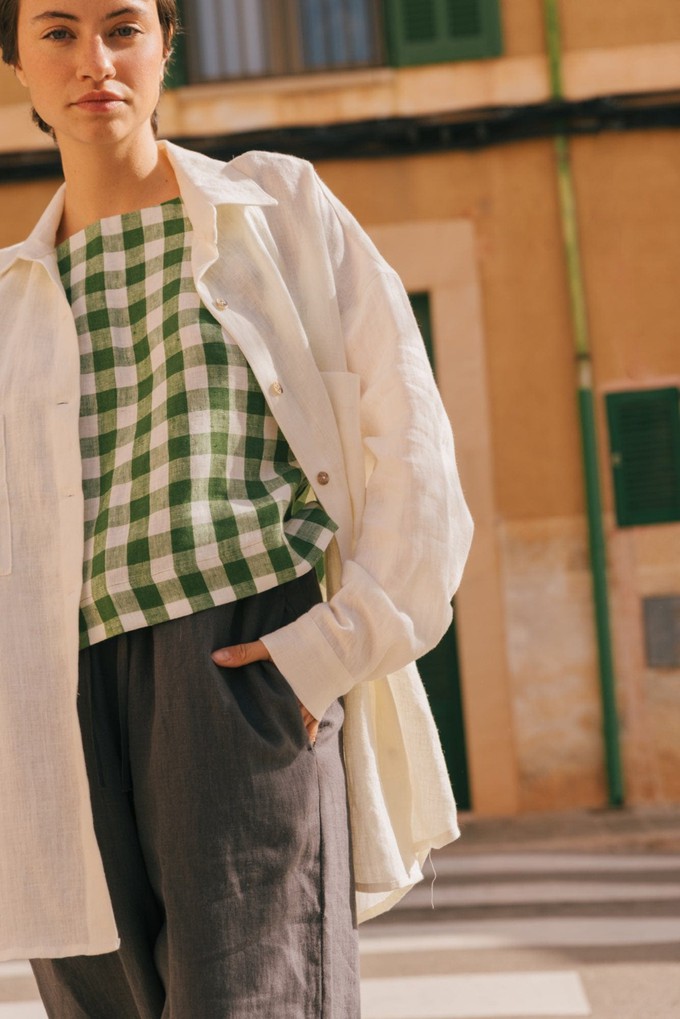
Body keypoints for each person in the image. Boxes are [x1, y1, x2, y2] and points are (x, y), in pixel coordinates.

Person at [0, 0, 473, 1015]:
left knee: (255, 1002)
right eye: (57, 31)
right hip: (57, 691)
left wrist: (338, 644)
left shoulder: (278, 206)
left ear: (169, 42)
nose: (96, 61)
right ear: (16, 61)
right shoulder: (9, 296)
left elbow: (409, 429)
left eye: (124, 27)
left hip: (238, 657)